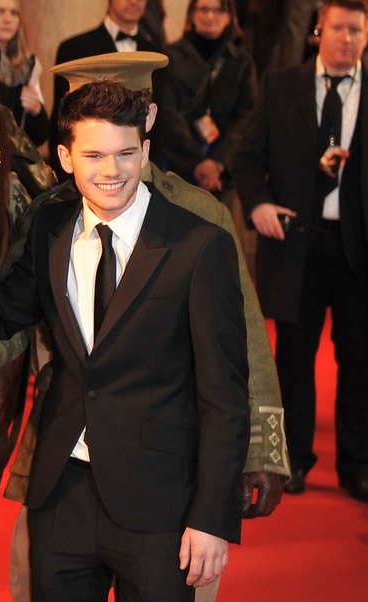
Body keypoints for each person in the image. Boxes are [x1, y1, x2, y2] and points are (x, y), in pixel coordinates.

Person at [0, 52, 288, 602]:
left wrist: (211, 515)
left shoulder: (199, 235)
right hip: (62, 493)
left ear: (146, 143)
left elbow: (225, 387)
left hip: (160, 503)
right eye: (93, 155)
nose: (111, 171)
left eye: (125, 153)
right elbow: (6, 315)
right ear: (65, 158)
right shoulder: (48, 226)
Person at [233, 0, 368, 502]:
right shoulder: (281, 84)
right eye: (339, 27)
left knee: (359, 360)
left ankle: (357, 465)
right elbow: (247, 157)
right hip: (296, 245)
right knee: (294, 358)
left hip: (359, 249)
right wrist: (261, 204)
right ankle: (296, 459)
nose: (347, 38)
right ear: (319, 30)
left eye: (357, 29)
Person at [49, 0, 166, 170]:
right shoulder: (74, 49)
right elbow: (61, 123)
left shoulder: (156, 53)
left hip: (142, 170)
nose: (134, 1)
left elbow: (160, 125)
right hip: (88, 172)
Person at [162, 0, 256, 194]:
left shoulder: (241, 62)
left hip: (222, 171)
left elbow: (246, 118)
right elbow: (167, 114)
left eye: (219, 10)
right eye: (204, 9)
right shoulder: (170, 57)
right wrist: (198, 164)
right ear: (192, 14)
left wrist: (217, 163)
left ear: (229, 16)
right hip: (176, 167)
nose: (211, 16)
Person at [0, 0, 49, 147]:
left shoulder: (27, 68)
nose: (8, 19)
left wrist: (36, 110)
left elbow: (40, 137)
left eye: (14, 13)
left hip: (16, 164)